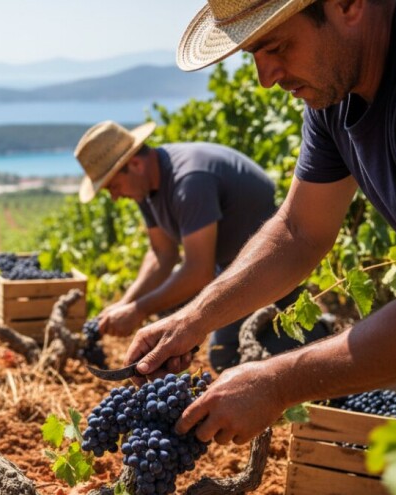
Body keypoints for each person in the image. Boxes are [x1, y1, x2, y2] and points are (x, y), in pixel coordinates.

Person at [127, 0, 396, 455]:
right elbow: (299, 231)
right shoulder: (335, 91)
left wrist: (276, 384)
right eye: (254, 56)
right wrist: (191, 320)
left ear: (348, 5)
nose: (266, 79)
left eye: (278, 46)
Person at [75, 121, 330, 370]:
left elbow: (199, 272)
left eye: (113, 186)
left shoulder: (189, 181)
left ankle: (322, 340)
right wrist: (127, 303)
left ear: (134, 164)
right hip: (232, 264)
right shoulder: (146, 187)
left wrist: (139, 310)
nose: (115, 197)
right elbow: (162, 255)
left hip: (272, 258)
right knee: (206, 334)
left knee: (225, 353)